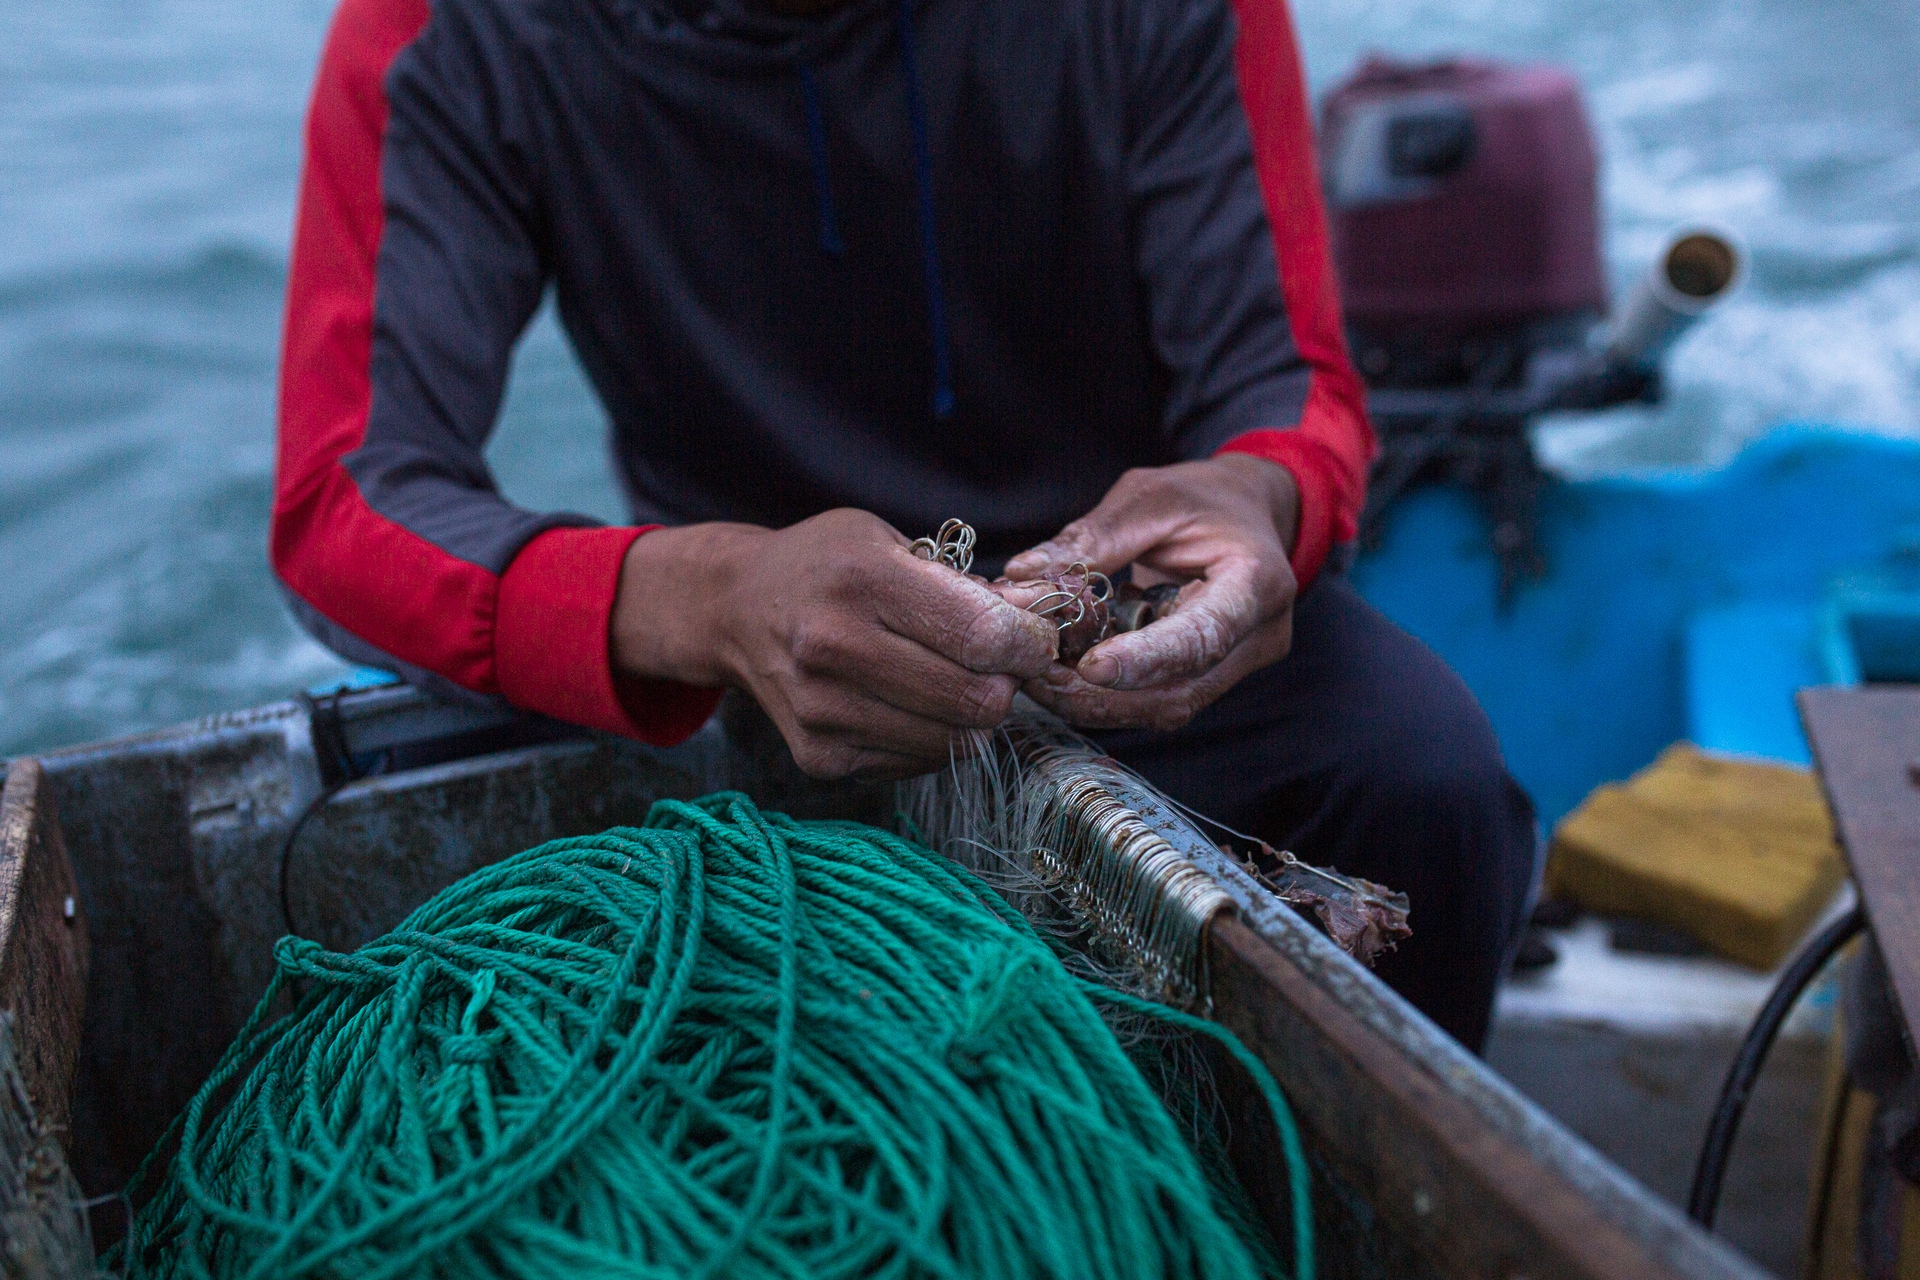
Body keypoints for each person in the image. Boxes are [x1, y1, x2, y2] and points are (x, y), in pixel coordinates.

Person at [271, 0, 1537, 1049]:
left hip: (1129, 623)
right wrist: (704, 595)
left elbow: (1284, 386)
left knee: (1423, 785)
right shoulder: (445, 32)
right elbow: (347, 496)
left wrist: (1255, 497)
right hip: (757, 678)